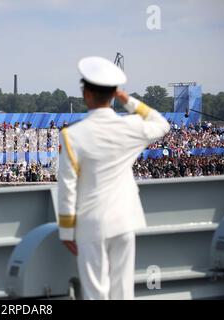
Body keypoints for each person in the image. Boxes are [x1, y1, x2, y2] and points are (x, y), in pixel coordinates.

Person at [57, 56, 170, 300]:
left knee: (96, 292)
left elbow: (67, 187)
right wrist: (127, 100)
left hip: (91, 222)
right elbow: (161, 124)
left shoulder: (72, 136)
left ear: (86, 93)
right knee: (123, 291)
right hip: (125, 219)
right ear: (113, 93)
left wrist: (66, 231)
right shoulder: (130, 127)